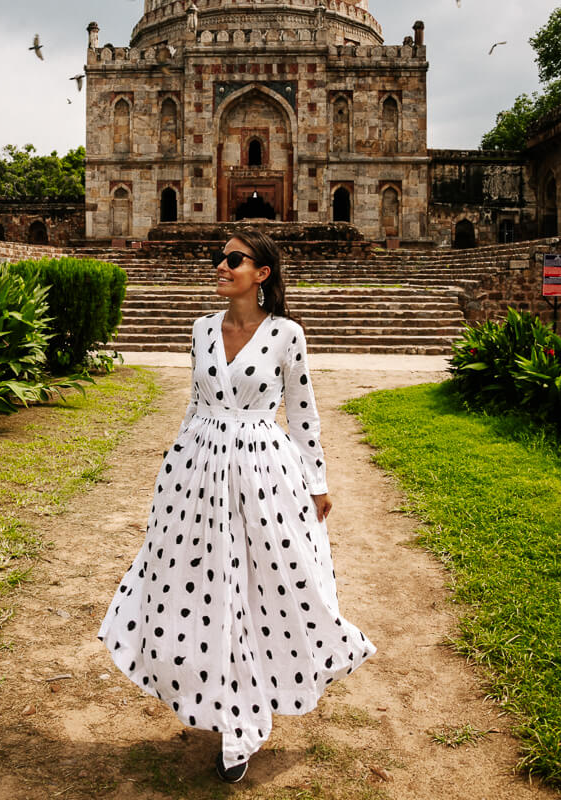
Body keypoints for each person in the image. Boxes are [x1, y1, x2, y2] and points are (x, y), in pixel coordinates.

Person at [98, 227, 376, 782]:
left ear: (262, 274)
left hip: (264, 473)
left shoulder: (286, 334)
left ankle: (244, 719)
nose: (221, 266)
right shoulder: (201, 329)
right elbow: (194, 404)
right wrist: (173, 464)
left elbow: (303, 414)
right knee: (204, 588)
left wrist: (317, 485)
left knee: (266, 586)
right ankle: (226, 711)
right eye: (219, 258)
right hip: (198, 470)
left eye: (233, 259)